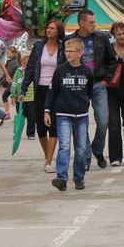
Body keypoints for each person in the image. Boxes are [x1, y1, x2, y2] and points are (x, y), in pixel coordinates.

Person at [67, 9, 118, 169]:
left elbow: (112, 61)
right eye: (91, 22)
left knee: (103, 121)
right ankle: (86, 156)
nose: (94, 25)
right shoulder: (70, 40)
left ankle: (97, 149)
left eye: (94, 22)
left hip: (98, 84)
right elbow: (63, 62)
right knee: (80, 123)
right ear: (81, 23)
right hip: (77, 84)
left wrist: (106, 80)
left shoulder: (102, 38)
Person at [45, 39, 93, 191]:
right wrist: (47, 110)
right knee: (64, 146)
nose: (68, 54)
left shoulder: (87, 72)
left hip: (81, 115)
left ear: (80, 53)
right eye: (66, 51)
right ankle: (61, 178)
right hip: (63, 114)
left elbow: (89, 91)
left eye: (71, 51)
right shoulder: (60, 70)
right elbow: (52, 92)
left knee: (80, 149)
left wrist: (85, 103)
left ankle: (79, 178)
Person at [21, 20, 66, 173]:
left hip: (56, 91)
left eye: (52, 28)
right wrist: (23, 89)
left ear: (59, 31)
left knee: (53, 126)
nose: (48, 30)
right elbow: (31, 68)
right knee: (40, 126)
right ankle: (47, 155)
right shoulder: (39, 46)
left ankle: (48, 161)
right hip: (40, 88)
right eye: (47, 27)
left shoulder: (63, 47)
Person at [107, 22, 124, 165]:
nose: (122, 36)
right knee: (113, 124)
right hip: (112, 90)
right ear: (113, 35)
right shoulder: (110, 49)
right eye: (118, 34)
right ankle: (115, 157)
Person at [10, 52, 36, 140]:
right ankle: (17, 133)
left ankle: (31, 133)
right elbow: (14, 83)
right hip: (20, 99)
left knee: (31, 118)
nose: (26, 61)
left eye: (29, 59)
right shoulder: (18, 71)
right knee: (20, 117)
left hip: (31, 99)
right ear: (21, 60)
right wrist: (13, 96)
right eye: (25, 59)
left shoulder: (34, 71)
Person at [0, 46, 20, 118]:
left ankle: (13, 114)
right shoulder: (12, 61)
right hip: (12, 84)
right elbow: (6, 73)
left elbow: (8, 74)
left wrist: (1, 82)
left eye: (8, 53)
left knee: (14, 99)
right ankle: (13, 114)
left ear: (13, 54)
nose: (7, 54)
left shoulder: (13, 63)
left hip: (13, 85)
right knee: (14, 99)